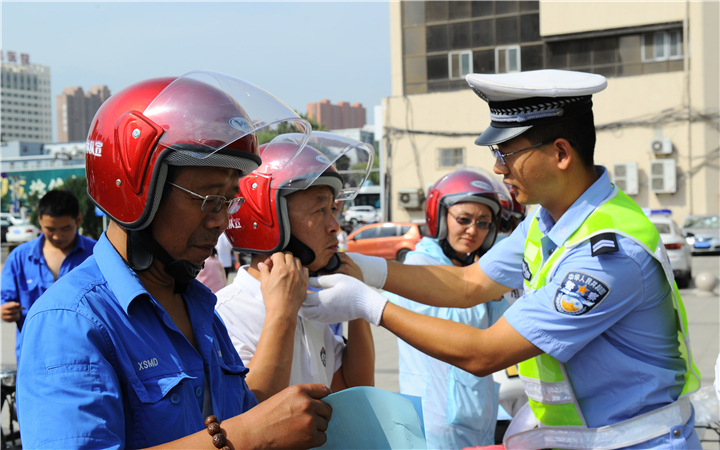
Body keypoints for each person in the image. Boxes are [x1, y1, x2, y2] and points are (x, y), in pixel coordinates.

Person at [300, 69, 701, 449]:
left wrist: (367, 304)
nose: (497, 167)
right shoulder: (545, 222)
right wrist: (365, 270)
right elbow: (469, 284)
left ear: (561, 153)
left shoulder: (608, 253)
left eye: (507, 152)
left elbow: (485, 353)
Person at [16, 72, 333, 449]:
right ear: (137, 192)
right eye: (209, 198)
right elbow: (243, 434)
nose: (221, 220)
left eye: (230, 200)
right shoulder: (71, 322)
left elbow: (236, 416)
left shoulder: (199, 308)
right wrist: (249, 436)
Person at [216, 132, 376, 402]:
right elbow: (249, 412)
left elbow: (355, 389)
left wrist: (357, 309)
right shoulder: (225, 314)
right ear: (270, 218)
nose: (334, 226)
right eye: (319, 210)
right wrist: (283, 314)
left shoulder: (309, 304)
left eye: (333, 211)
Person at [385, 167, 512, 449]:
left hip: (479, 416)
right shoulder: (421, 268)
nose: (473, 230)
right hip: (438, 422)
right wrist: (486, 281)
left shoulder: (474, 271)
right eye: (464, 219)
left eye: (484, 223)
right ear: (441, 218)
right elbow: (458, 319)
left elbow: (499, 331)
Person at [1, 189, 96, 365]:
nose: (57, 236)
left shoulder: (96, 255)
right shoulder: (20, 257)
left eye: (65, 228)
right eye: (50, 229)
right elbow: (4, 298)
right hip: (33, 354)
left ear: (78, 220)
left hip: (84, 353)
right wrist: (5, 310)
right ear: (39, 222)